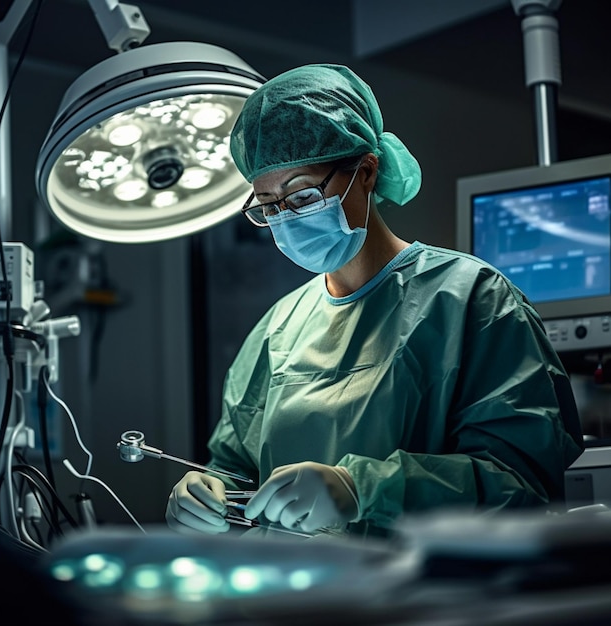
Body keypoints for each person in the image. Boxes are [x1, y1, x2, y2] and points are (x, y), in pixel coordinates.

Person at [165, 63, 584, 539]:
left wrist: (363, 489)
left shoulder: (473, 299)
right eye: (268, 205)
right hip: (291, 597)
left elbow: (523, 482)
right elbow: (236, 468)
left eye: (301, 196)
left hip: (427, 602)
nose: (285, 219)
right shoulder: (278, 328)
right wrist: (207, 494)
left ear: (365, 171)